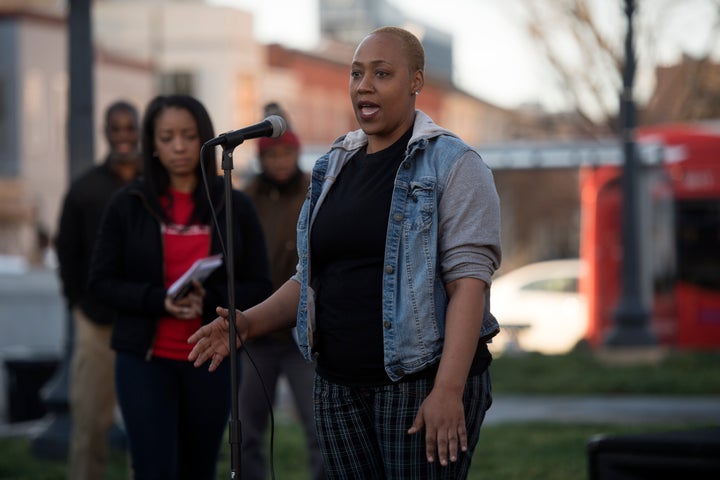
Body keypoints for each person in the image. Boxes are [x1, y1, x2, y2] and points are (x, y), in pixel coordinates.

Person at [188, 26, 502, 479]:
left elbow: (469, 282)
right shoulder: (333, 165)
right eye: (356, 74)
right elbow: (310, 276)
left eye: (381, 73)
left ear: (416, 80)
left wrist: (449, 389)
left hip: (418, 382)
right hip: (337, 385)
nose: (364, 85)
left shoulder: (454, 164)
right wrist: (249, 322)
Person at [88, 94, 272, 479]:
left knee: (199, 468)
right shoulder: (129, 203)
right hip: (144, 361)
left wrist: (214, 300)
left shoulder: (234, 204)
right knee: (153, 468)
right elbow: (101, 284)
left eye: (188, 136)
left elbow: (260, 285)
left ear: (204, 138)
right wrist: (159, 301)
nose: (178, 146)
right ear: (152, 144)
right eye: (167, 136)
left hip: (211, 360)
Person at [55, 100, 141, 480]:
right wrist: (79, 305)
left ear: (139, 130)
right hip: (97, 321)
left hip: (145, 319)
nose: (122, 136)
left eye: (129, 128)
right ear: (106, 132)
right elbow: (66, 251)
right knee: (90, 423)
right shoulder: (85, 188)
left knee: (147, 426)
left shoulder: (153, 184)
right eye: (115, 128)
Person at [239, 107, 325, 480]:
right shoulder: (246, 199)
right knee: (245, 432)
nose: (279, 161)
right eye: (271, 155)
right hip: (256, 331)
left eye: (286, 153)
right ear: (261, 158)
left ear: (297, 153)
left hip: (302, 333)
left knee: (319, 427)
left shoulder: (315, 190)